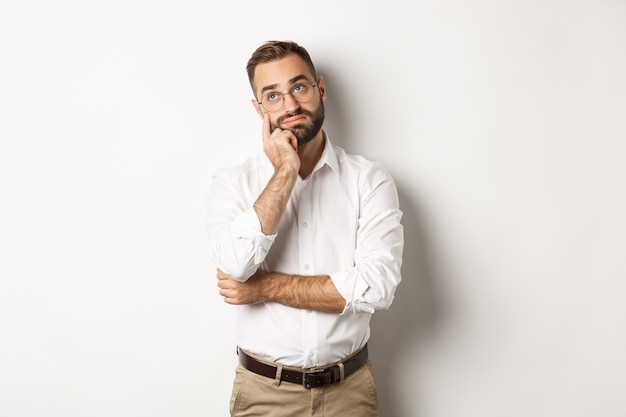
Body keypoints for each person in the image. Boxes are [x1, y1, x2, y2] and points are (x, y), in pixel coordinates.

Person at [205, 40, 404, 417]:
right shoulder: (233, 183)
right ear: (258, 109)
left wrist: (264, 287)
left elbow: (377, 287)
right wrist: (285, 171)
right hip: (265, 395)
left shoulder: (369, 180)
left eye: (299, 87)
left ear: (320, 89)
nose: (291, 105)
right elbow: (235, 266)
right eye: (273, 96)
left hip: (350, 393)